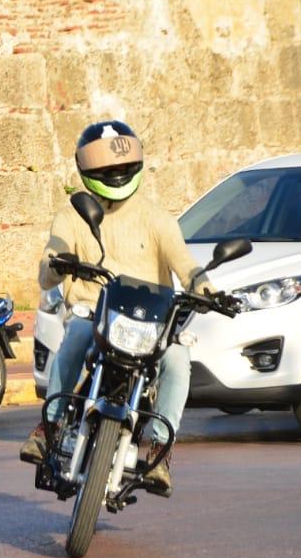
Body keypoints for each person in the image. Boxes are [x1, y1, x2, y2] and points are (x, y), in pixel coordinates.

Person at [19, 120, 216, 493]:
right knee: (75, 338)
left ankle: (159, 447)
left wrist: (204, 286)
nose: (115, 171)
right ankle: (51, 425)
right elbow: (46, 271)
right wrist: (56, 263)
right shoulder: (73, 214)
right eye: (104, 164)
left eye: (121, 163)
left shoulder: (156, 218)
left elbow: (185, 264)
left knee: (177, 358)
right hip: (95, 314)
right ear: (84, 166)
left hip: (149, 322)